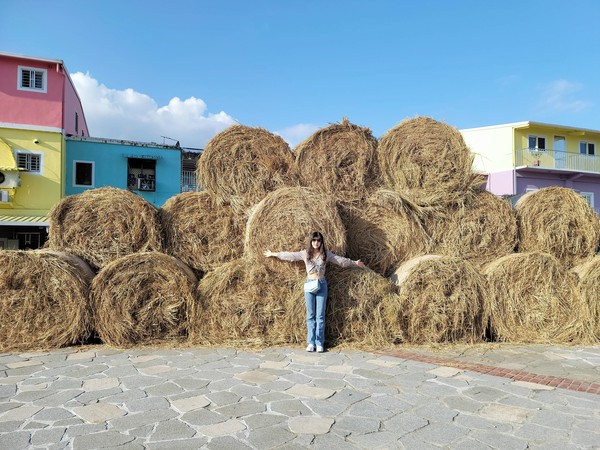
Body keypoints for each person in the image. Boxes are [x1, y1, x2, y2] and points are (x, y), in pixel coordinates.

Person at [264, 231, 366, 353]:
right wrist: (274, 254)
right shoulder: (305, 253)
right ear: (311, 242)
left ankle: (319, 343)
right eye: (314, 240)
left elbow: (341, 261)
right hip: (309, 284)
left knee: (320, 316)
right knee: (310, 315)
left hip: (322, 284)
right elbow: (290, 256)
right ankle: (311, 342)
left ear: (321, 242)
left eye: (318, 240)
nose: (316, 243)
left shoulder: (326, 255)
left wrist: (354, 262)